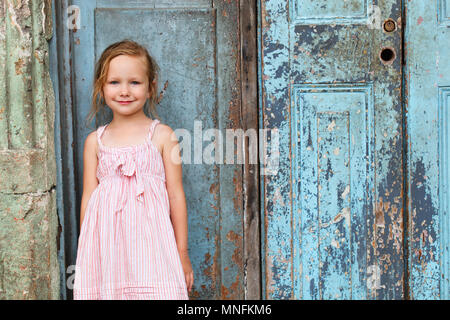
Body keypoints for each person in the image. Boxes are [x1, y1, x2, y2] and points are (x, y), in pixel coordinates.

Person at [73, 40, 193, 300]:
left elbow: (175, 196)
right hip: (109, 252)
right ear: (101, 88)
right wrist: (87, 252)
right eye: (114, 82)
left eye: (134, 82)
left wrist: (182, 254)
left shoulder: (162, 136)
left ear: (150, 88)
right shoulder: (95, 142)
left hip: (153, 251)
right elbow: (88, 199)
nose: (124, 91)